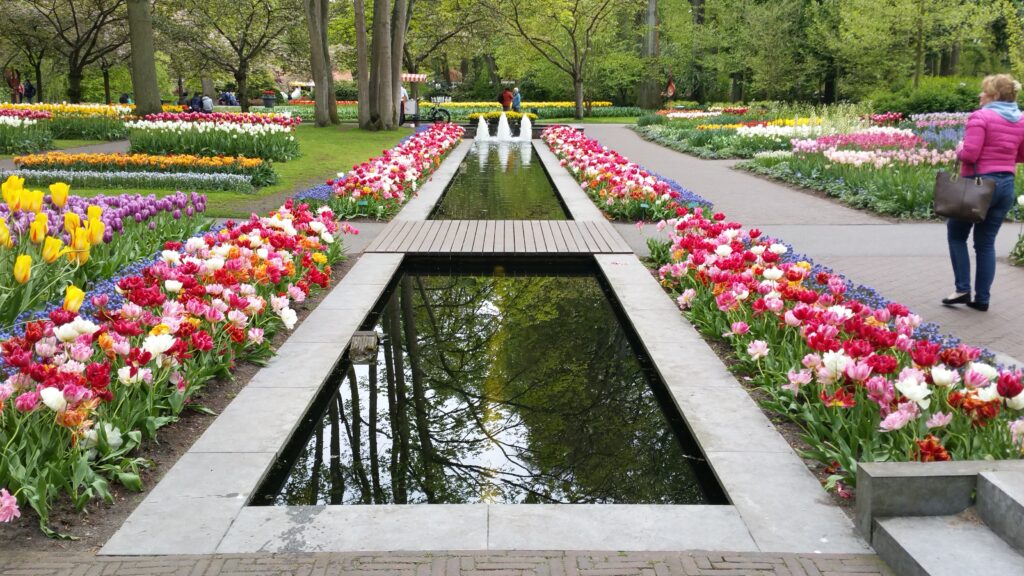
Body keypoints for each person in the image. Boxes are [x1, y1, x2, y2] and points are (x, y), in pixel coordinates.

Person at [943, 74, 1024, 312]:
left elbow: (970, 155)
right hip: (1005, 185)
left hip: (977, 186)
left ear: (995, 95)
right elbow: (1021, 155)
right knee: (985, 244)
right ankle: (982, 299)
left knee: (956, 235)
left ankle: (962, 289)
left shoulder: (981, 117)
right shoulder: (1021, 119)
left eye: (984, 91)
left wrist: (959, 148)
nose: (980, 95)